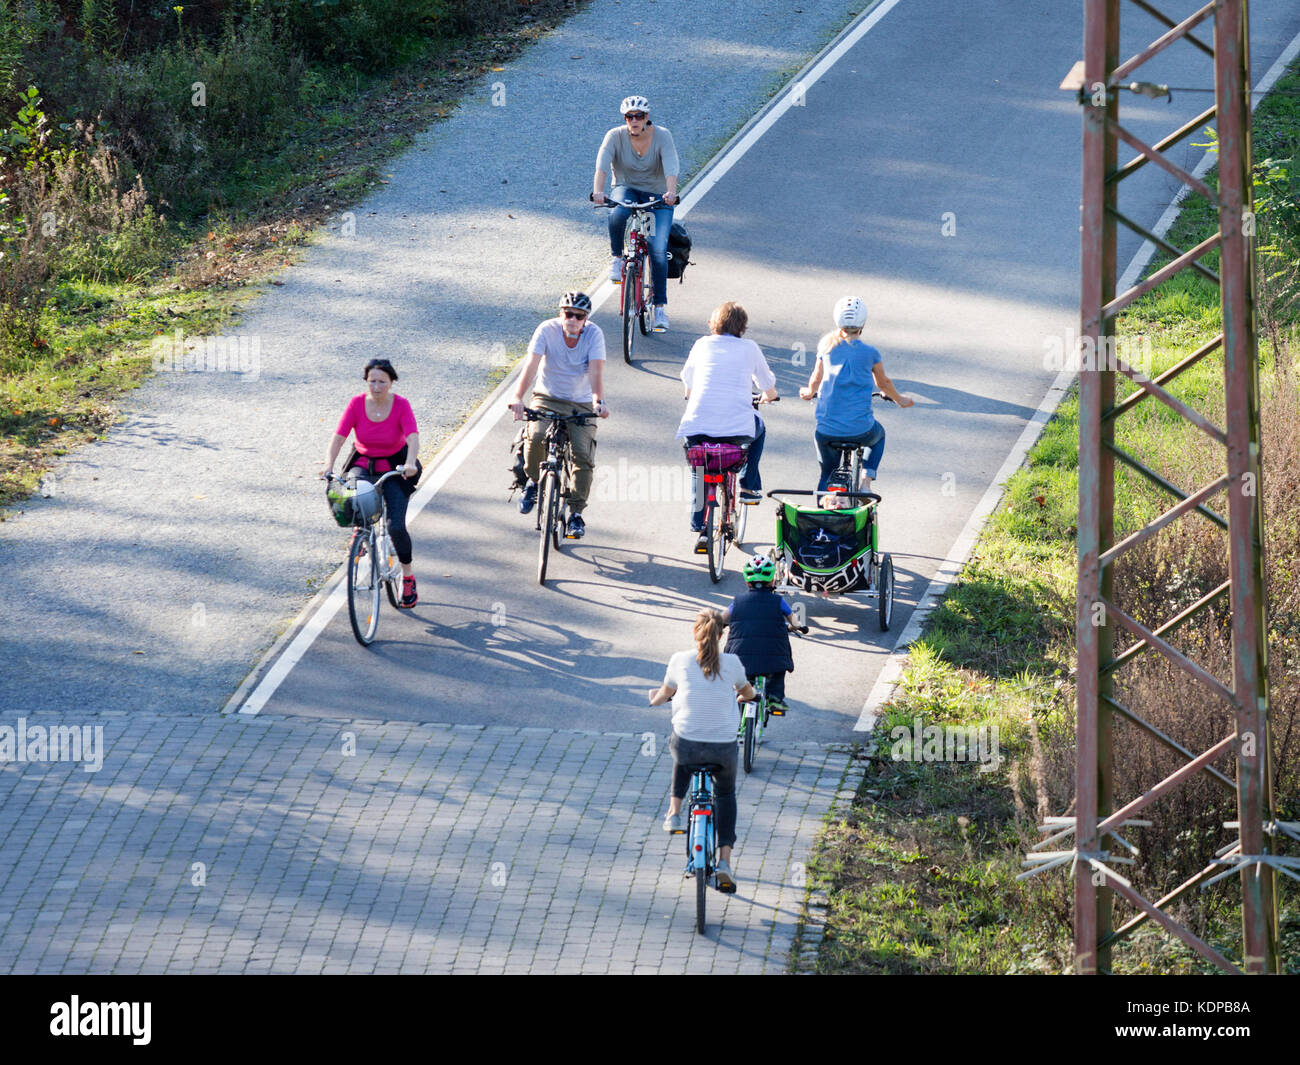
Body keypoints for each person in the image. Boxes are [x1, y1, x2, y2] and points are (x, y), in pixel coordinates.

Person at [648, 608, 757, 893]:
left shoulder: (679, 660)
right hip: (723, 747)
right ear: (722, 636)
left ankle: (673, 814)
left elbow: (664, 693)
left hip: (688, 745)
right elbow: (747, 692)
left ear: (694, 632)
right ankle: (724, 863)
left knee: (682, 748)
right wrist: (751, 695)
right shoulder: (732, 662)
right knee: (724, 794)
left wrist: (654, 701)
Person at [677, 301, 778, 555]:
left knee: (700, 468)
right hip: (736, 430)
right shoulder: (749, 348)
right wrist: (769, 396)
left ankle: (698, 522)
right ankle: (748, 484)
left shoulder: (701, 344)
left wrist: (691, 394)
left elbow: (687, 379)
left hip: (697, 425)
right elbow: (767, 383)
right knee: (760, 428)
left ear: (714, 323)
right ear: (742, 327)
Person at [508, 291, 610, 540]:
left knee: (582, 456)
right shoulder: (546, 330)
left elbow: (596, 371)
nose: (573, 319)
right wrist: (518, 397)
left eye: (579, 316)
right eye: (568, 314)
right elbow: (531, 365)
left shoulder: (594, 335)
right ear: (560, 314)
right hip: (547, 396)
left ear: (586, 319)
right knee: (537, 436)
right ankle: (533, 482)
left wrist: (598, 401)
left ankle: (575, 512)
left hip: (581, 402)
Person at [323, 358, 422, 607]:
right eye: (372, 381)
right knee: (351, 499)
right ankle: (361, 532)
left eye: (382, 381)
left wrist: (410, 463)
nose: (376, 386)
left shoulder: (401, 405)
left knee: (396, 526)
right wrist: (328, 466)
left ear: (391, 382)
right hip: (364, 463)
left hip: (395, 466)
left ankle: (407, 577)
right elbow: (339, 437)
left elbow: (412, 436)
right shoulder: (357, 404)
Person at [799, 296, 913, 494]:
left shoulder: (826, 346)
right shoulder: (870, 352)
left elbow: (816, 378)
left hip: (826, 431)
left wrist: (809, 393)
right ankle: (866, 482)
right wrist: (899, 399)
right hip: (861, 430)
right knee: (879, 436)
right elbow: (883, 383)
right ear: (863, 324)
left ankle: (822, 518)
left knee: (827, 474)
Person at [592, 94, 680, 332]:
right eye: (630, 117)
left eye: (639, 116)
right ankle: (618, 259)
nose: (634, 120)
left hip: (658, 196)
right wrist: (598, 191)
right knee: (618, 213)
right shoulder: (614, 136)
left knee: (657, 249)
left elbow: (671, 166)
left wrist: (671, 192)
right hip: (626, 189)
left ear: (647, 117)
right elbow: (602, 165)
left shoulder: (663, 136)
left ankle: (659, 306)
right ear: (625, 118)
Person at [722, 555, 800, 712]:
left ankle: (740, 695)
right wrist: (797, 627)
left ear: (747, 581)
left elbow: (722, 618)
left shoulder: (737, 602)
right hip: (772, 656)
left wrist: (720, 625)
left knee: (742, 676)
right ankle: (775, 699)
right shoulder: (778, 601)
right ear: (772, 581)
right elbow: (795, 621)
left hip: (740, 655)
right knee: (777, 670)